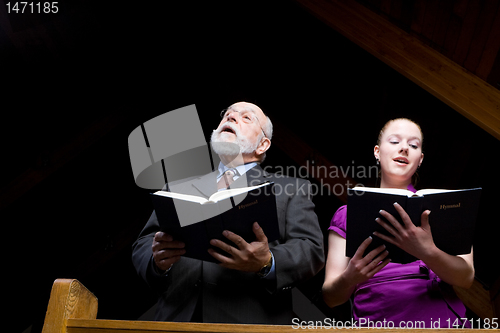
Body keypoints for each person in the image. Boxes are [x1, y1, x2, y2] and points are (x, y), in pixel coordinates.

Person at [132, 102, 325, 324]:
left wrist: (267, 262)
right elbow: (144, 243)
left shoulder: (291, 188)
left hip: (250, 325)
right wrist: (157, 261)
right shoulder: (177, 187)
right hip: (176, 322)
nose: (231, 118)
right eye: (227, 115)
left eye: (246, 118)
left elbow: (311, 248)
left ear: (263, 145)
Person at [322, 118, 474, 328]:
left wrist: (427, 251)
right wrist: (349, 278)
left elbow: (466, 277)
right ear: (377, 151)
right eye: (394, 141)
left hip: (443, 322)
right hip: (378, 321)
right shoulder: (347, 214)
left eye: (413, 145)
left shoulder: (444, 204)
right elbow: (331, 297)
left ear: (420, 159)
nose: (404, 148)